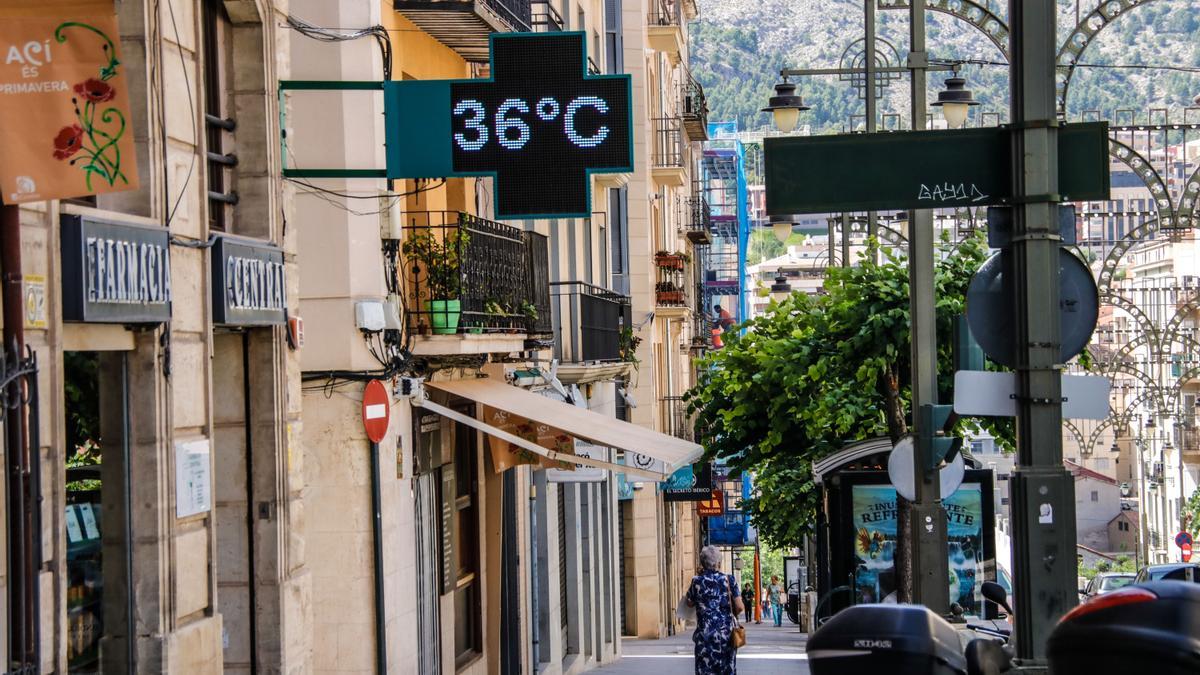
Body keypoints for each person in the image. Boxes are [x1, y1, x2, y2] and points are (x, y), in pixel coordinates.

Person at [686, 545, 743, 675]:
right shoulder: (729, 580)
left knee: (704, 671)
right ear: (718, 562)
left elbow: (689, 603)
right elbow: (740, 606)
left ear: (702, 562)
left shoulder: (697, 581)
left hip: (704, 635)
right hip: (726, 636)